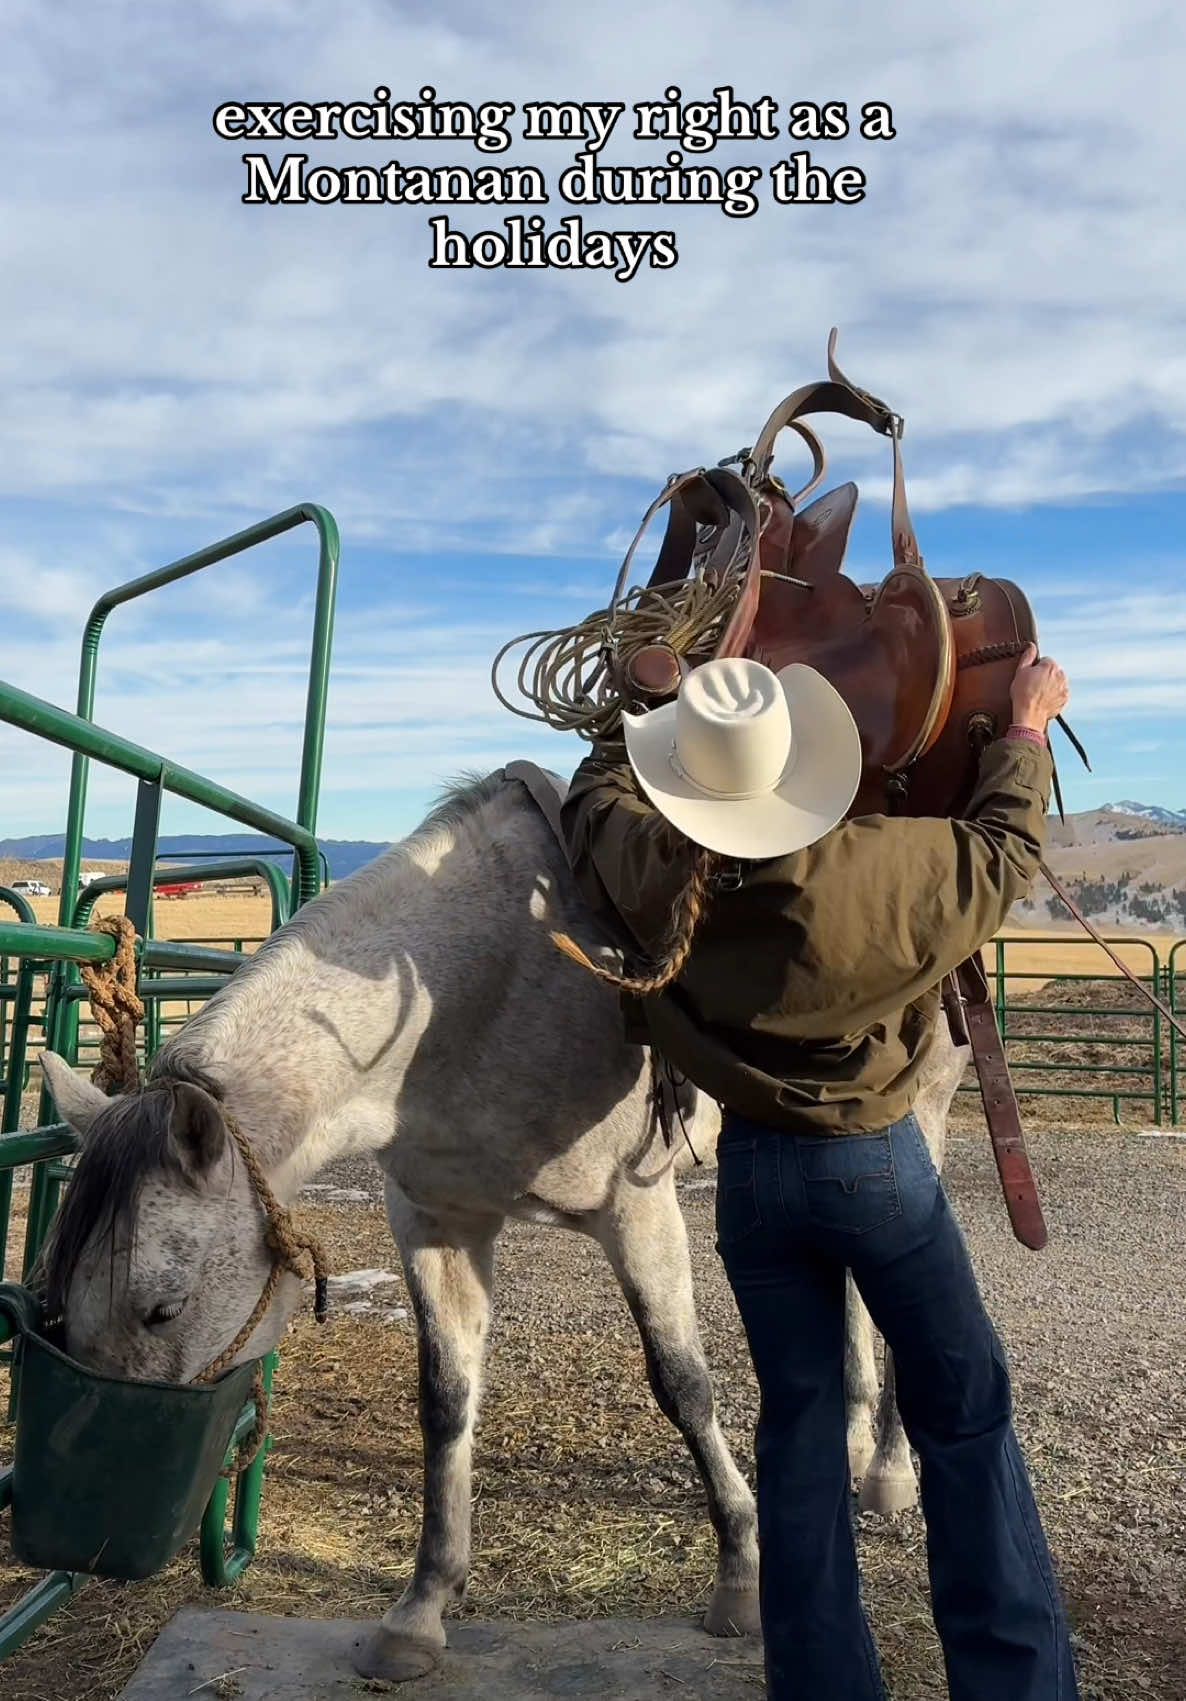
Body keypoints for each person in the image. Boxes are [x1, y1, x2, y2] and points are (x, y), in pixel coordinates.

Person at [557, 642, 1079, 1701]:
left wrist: (646, 708)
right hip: (877, 1166)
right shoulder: (882, 865)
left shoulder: (653, 865)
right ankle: (1013, 1681)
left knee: (797, 1429)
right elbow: (1002, 849)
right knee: (963, 1411)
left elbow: (590, 803)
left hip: (752, 1181)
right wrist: (1023, 728)